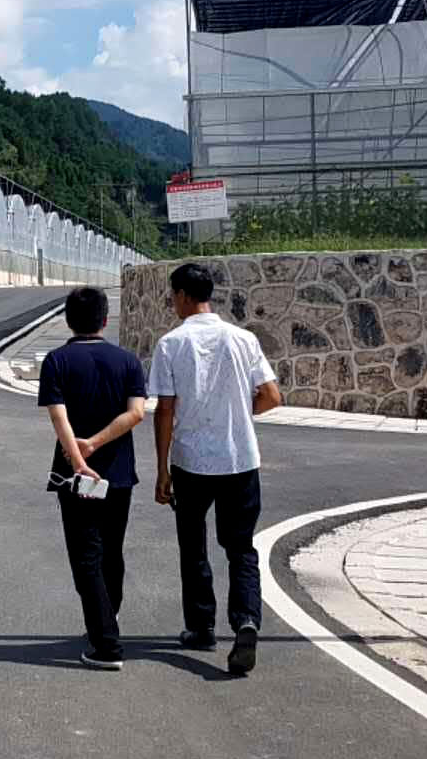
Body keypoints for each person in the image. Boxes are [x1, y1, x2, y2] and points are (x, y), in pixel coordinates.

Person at [149, 262, 282, 676]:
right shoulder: (244, 339)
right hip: (239, 459)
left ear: (183, 295)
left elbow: (165, 410)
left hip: (191, 461)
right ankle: (246, 621)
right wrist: (239, 415)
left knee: (194, 547)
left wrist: (162, 469)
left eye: (173, 296)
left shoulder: (171, 344)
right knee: (240, 548)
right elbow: (272, 396)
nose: (173, 303)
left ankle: (201, 627)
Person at [38, 285, 147, 671]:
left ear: (69, 320)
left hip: (75, 477)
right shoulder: (128, 361)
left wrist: (78, 456)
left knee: (87, 557)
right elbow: (137, 413)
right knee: (112, 551)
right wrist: (97, 444)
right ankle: (107, 620)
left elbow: (59, 416)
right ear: (105, 319)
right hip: (119, 473)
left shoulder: (56, 361)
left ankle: (106, 645)